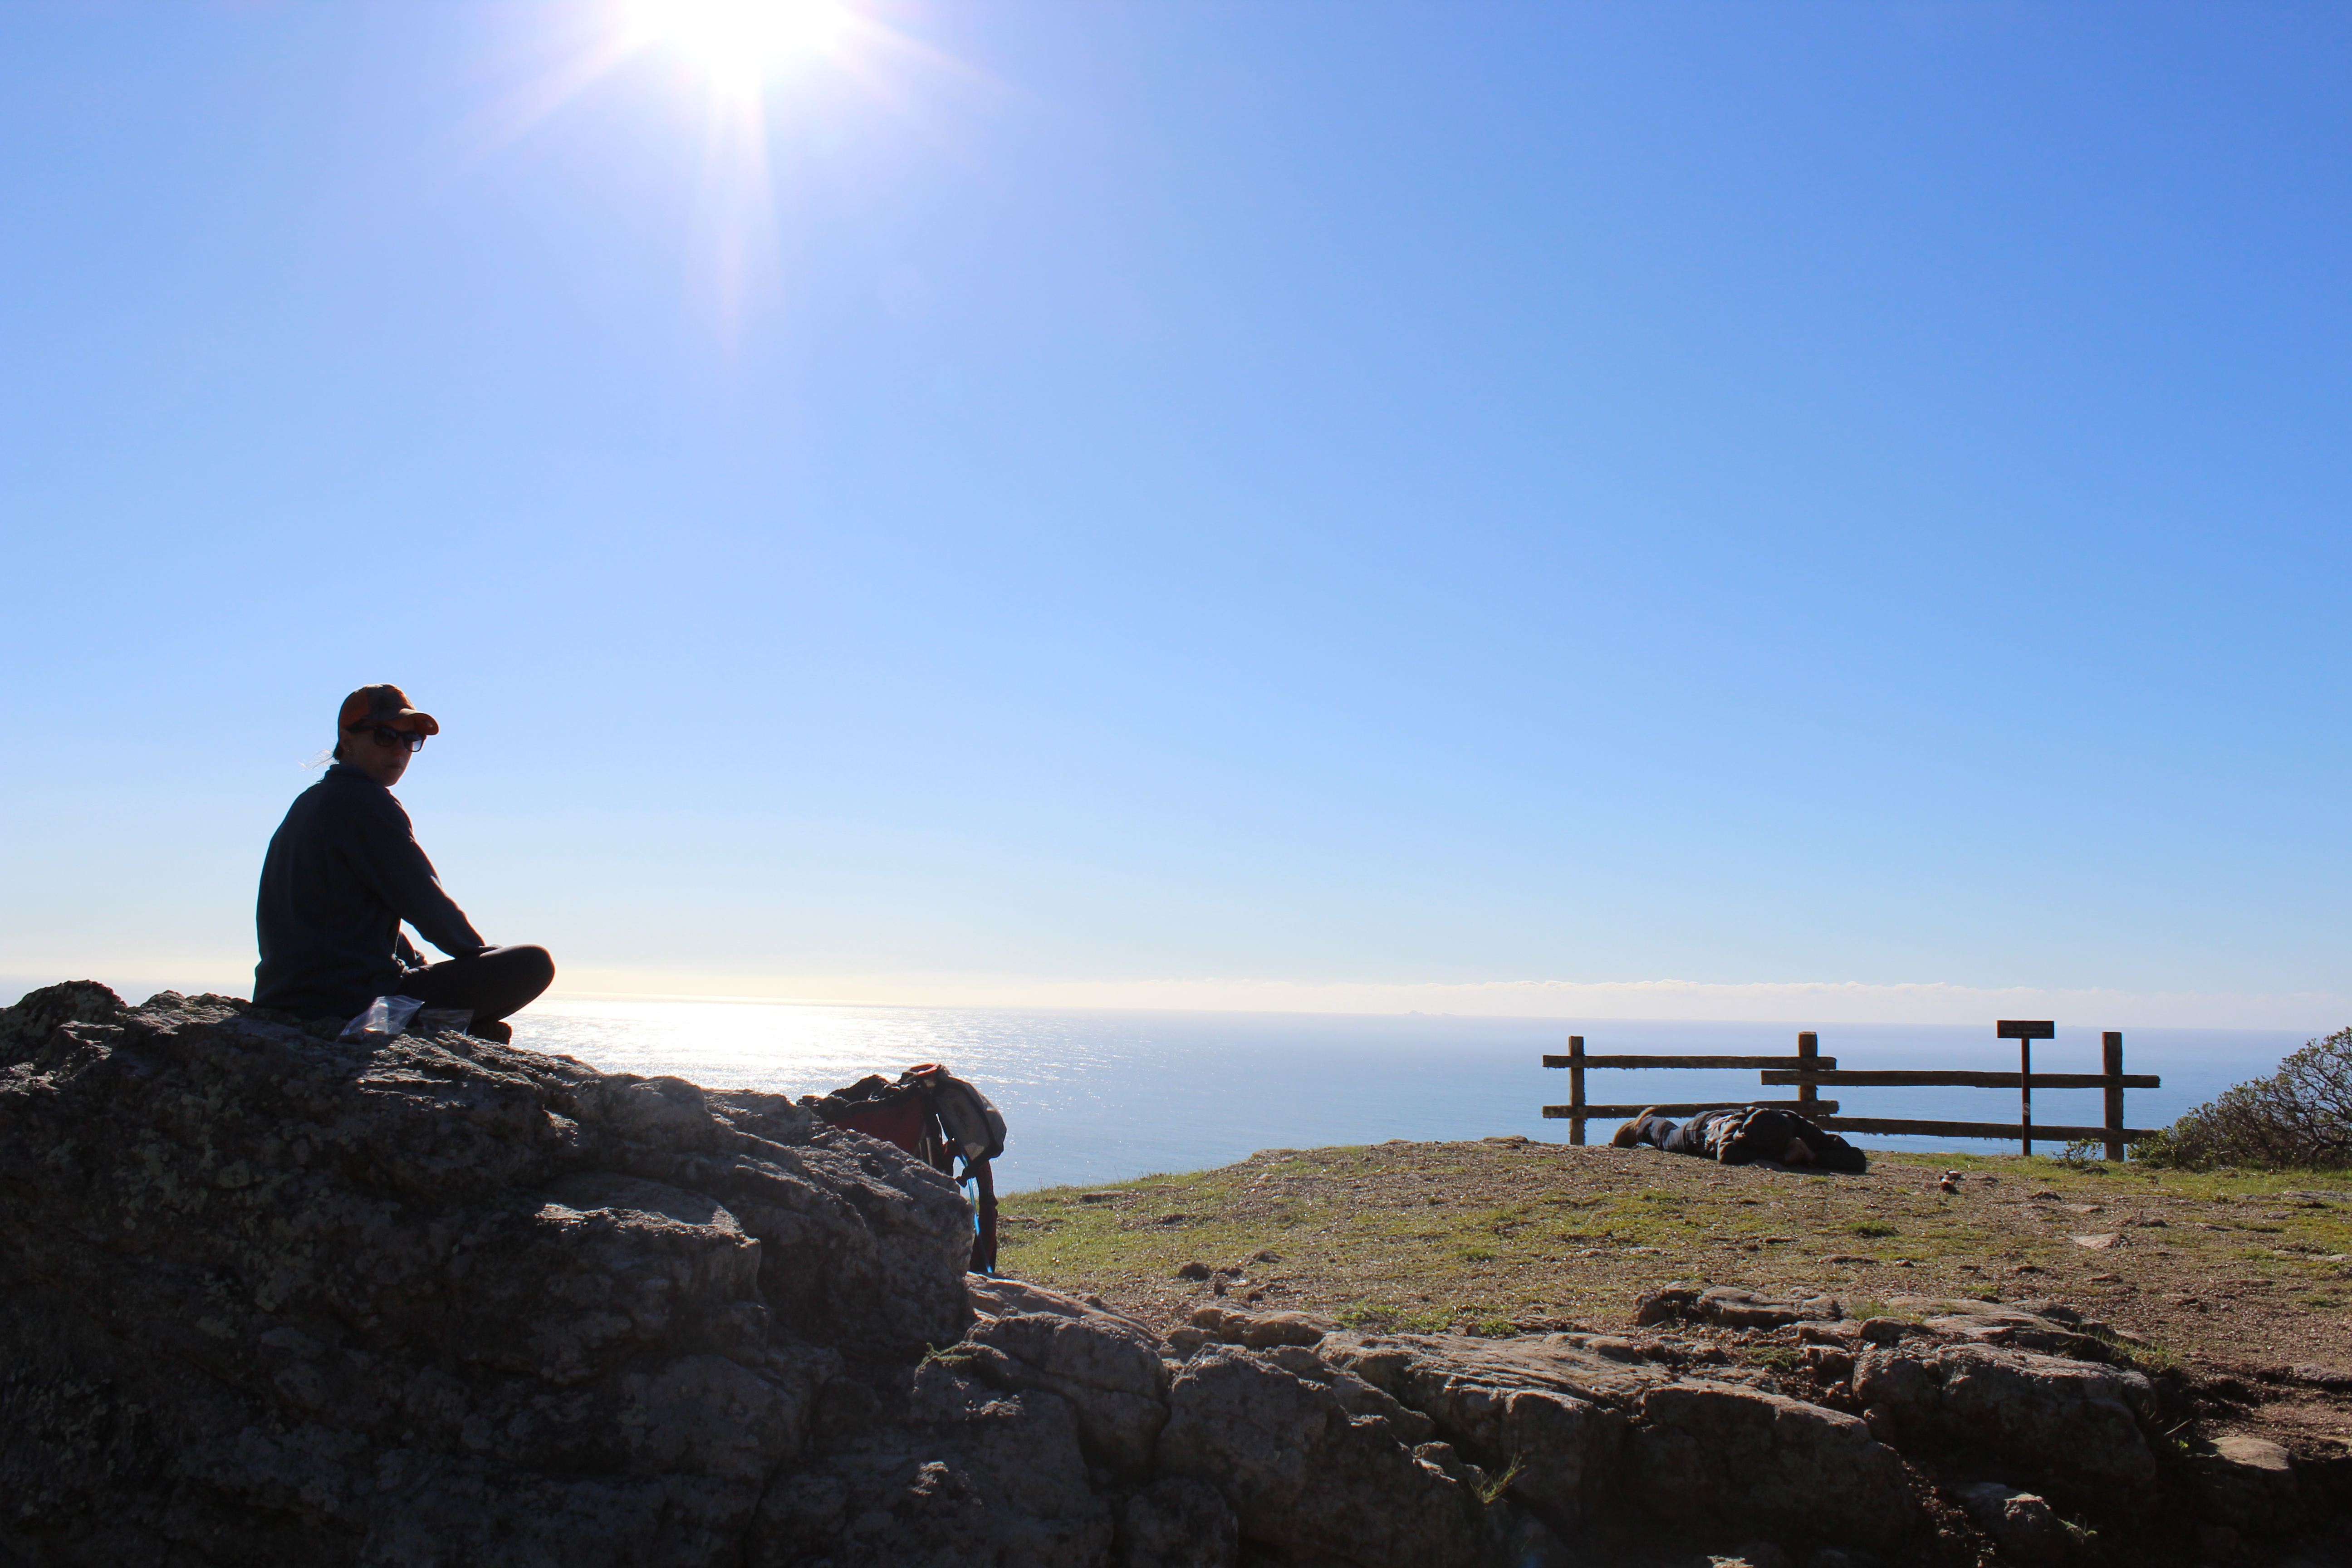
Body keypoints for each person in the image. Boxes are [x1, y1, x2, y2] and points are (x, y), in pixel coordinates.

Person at [254, 684, 553, 1042]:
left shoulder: (312, 803)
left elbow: (367, 913)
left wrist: (419, 965)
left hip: (286, 997)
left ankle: (445, 1022)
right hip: (350, 1005)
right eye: (385, 736)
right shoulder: (364, 802)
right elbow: (423, 901)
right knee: (532, 964)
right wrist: (479, 958)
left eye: (411, 740)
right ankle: (433, 1027)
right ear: (347, 741)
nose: (399, 750)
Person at [1611, 1104, 1868, 1173]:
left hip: (1724, 1121)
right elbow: (1726, 1154)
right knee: (1667, 1138)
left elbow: (1857, 1160)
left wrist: (1812, 1155)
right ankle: (1643, 1124)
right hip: (1702, 1131)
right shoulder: (1736, 1127)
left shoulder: (1801, 1129)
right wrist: (1784, 1158)